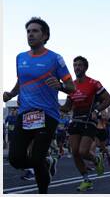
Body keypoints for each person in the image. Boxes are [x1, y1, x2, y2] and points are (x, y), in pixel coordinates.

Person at [3, 17, 75, 194]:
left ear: (45, 35)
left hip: (47, 114)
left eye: (35, 31)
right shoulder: (20, 58)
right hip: (25, 114)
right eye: (28, 31)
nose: (30, 34)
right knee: (15, 159)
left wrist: (59, 86)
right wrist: (11, 94)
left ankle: (43, 191)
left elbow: (71, 87)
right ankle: (47, 162)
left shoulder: (55, 59)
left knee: (36, 158)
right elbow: (21, 81)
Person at [60, 56, 110, 191]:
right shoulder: (71, 85)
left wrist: (96, 109)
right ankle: (86, 180)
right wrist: (53, 105)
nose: (77, 67)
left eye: (79, 65)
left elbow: (108, 99)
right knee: (75, 153)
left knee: (83, 151)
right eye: (75, 65)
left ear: (85, 67)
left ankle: (96, 160)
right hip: (76, 120)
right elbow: (67, 107)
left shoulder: (94, 83)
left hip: (89, 120)